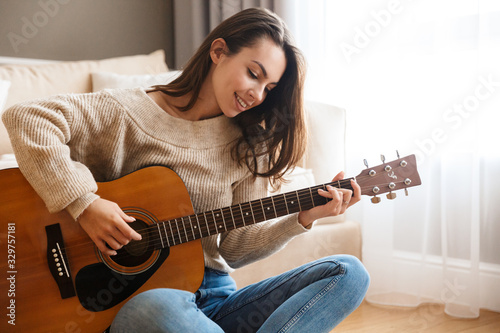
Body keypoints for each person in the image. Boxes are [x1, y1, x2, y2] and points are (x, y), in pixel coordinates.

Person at [2, 7, 369, 333]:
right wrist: (85, 203)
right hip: (143, 305)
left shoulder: (249, 145)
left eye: (269, 88)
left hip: (214, 304)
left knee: (349, 274)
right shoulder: (126, 112)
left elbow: (236, 249)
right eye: (254, 74)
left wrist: (301, 219)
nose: (258, 95)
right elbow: (27, 118)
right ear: (218, 51)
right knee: (154, 307)